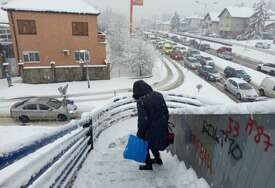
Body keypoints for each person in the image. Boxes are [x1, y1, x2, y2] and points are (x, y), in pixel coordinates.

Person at [133, 80, 169, 170]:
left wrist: (140, 132)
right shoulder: (158, 95)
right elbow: (166, 112)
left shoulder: (141, 101)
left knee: (144, 143)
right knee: (153, 142)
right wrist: (163, 123)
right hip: (162, 126)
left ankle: (148, 164)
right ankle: (157, 159)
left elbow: (143, 120)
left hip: (151, 128)